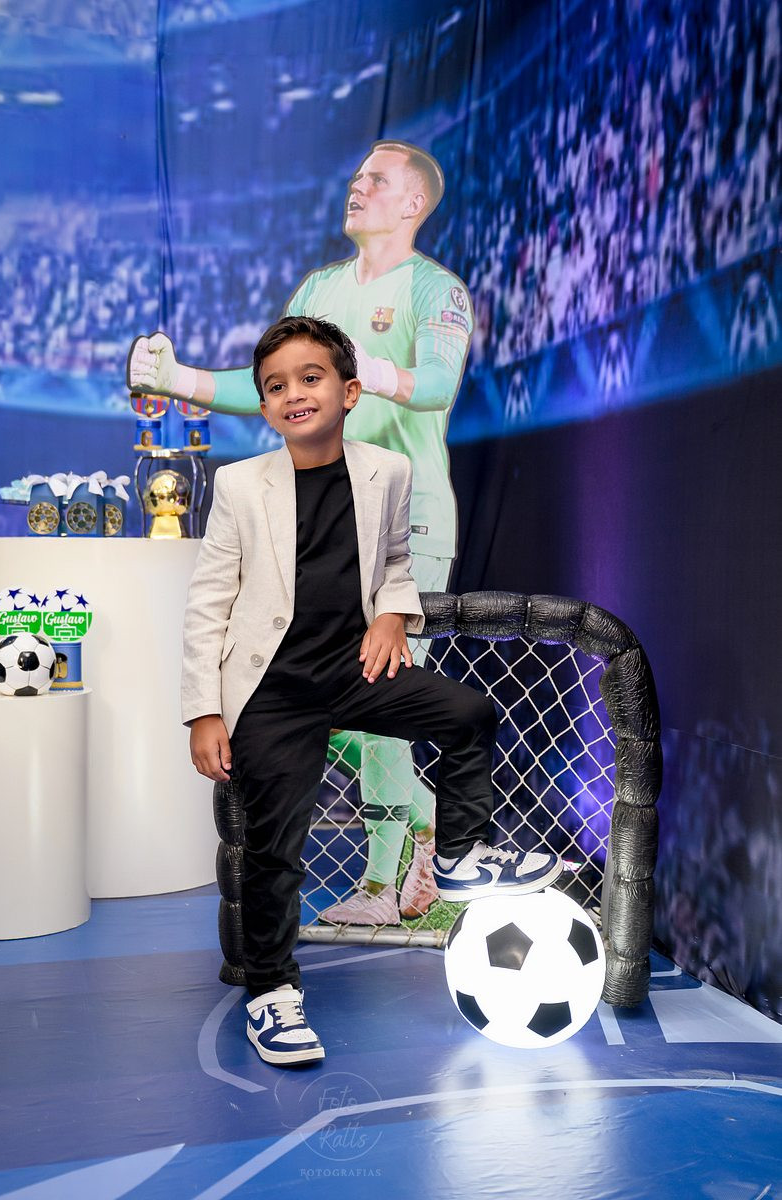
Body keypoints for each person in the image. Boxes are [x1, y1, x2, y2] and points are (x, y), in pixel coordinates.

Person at [180, 316, 562, 1066]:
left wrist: (392, 613)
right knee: (274, 850)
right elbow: (208, 601)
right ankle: (270, 992)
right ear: (265, 407)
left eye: (310, 377)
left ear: (349, 391)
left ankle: (457, 854)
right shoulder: (240, 484)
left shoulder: (387, 471)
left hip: (353, 672)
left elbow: (392, 563)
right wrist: (203, 710)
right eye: (276, 386)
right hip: (271, 690)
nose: (294, 393)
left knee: (467, 712)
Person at [132, 141, 475, 925]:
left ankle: (384, 886)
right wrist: (176, 379)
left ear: (412, 203)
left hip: (406, 519)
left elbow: (438, 383)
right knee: (311, 698)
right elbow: (273, 384)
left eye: (374, 180)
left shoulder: (435, 289)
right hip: (315, 520)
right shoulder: (320, 288)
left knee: (379, 696)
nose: (356, 187)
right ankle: (425, 830)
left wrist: (364, 372)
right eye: (354, 177)